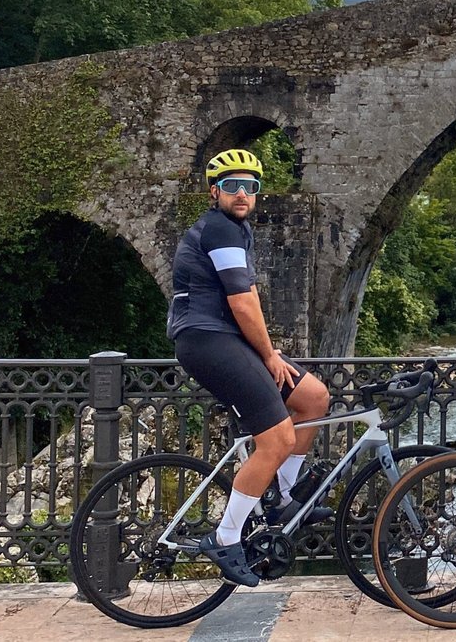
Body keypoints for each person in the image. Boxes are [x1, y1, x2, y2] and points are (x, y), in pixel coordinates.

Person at [167, 148, 331, 587]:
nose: (242, 193)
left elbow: (248, 301)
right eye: (232, 186)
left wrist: (267, 353)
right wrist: (270, 354)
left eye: (251, 186)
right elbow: (242, 301)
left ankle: (283, 497)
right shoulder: (220, 228)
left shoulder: (237, 229)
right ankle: (225, 537)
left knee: (314, 397)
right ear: (214, 191)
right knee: (276, 438)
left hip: (226, 339)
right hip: (207, 339)